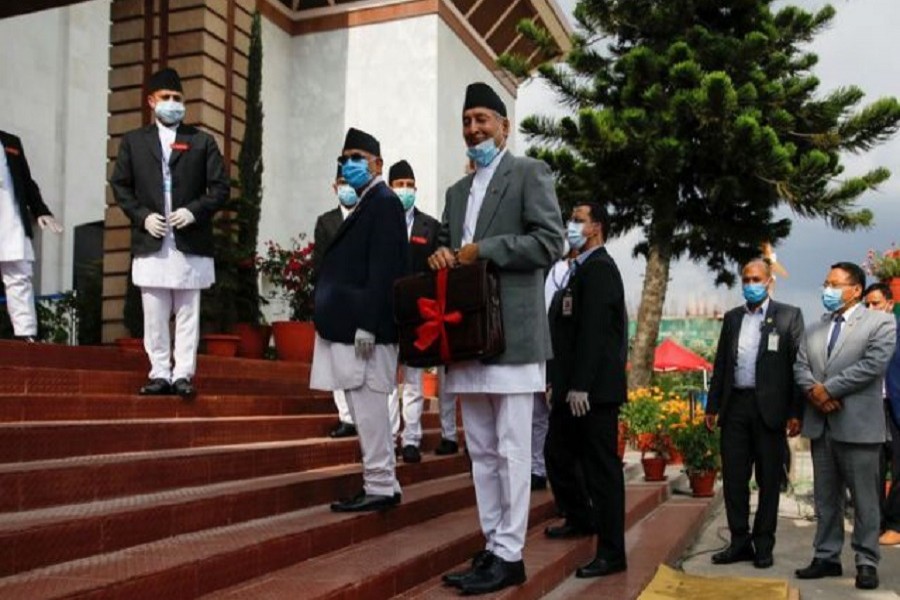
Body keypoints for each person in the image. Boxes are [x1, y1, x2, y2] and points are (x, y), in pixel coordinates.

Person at [429, 81, 564, 595]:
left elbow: (549, 241)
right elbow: (446, 246)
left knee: (512, 447)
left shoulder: (529, 173)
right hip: (468, 337)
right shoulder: (456, 191)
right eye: (467, 121)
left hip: (514, 335)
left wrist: (485, 248)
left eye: (483, 119)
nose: (473, 130)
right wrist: (442, 255)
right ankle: (493, 546)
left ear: (505, 126)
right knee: (481, 449)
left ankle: (512, 553)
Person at [110, 68, 229, 398]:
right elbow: (120, 185)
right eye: (166, 98)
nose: (173, 103)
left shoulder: (201, 141)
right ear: (151, 101)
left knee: (189, 313)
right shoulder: (134, 142)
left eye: (178, 98)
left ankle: (183, 375)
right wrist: (141, 216)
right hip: (152, 238)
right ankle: (159, 371)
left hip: (190, 241)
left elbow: (220, 188)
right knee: (155, 313)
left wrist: (194, 210)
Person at [310, 127, 409, 512]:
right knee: (365, 408)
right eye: (345, 158)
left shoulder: (382, 202)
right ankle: (384, 482)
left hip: (365, 333)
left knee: (368, 411)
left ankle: (380, 485)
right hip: (355, 330)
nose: (349, 165)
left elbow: (383, 269)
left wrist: (368, 323)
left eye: (358, 158)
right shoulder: (371, 202)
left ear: (378, 164)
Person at [793, 262, 896, 590]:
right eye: (826, 283)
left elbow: (873, 365)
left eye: (834, 284)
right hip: (821, 424)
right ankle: (826, 556)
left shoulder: (881, 322)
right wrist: (814, 392)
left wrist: (829, 389)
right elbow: (800, 365)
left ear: (855, 290)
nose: (827, 290)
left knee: (865, 500)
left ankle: (866, 560)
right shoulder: (814, 328)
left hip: (859, 426)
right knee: (825, 498)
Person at [544, 203, 628, 579]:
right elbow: (565, 335)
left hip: (593, 394)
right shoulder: (577, 272)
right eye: (571, 219)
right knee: (557, 454)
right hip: (569, 389)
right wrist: (556, 383)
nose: (571, 226)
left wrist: (580, 386)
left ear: (596, 227)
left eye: (578, 220)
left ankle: (612, 552)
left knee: (601, 471)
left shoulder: (600, 270)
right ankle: (580, 518)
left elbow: (594, 333)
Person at [704, 258, 805, 569]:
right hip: (735, 407)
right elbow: (722, 363)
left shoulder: (789, 316)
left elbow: (797, 366)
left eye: (756, 279)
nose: (750, 285)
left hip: (770, 412)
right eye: (746, 279)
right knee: (734, 479)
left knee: (769, 480)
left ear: (769, 281)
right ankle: (738, 541)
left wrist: (795, 411)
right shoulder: (733, 318)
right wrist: (713, 405)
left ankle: (763, 544)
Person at [386, 160, 441, 464]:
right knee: (387, 382)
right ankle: (391, 435)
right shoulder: (380, 223)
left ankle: (412, 439)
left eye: (410, 185)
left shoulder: (429, 227)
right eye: (400, 184)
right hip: (387, 312)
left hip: (418, 314)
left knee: (414, 381)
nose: (405, 190)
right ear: (390, 187)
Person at [0, 129, 63, 341]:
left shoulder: (11, 142)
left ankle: (25, 333)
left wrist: (41, 211)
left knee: (19, 276)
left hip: (11, 218)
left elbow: (27, 182)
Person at [312, 167, 360, 439]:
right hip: (335, 300)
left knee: (360, 362)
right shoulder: (326, 221)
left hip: (362, 300)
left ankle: (362, 415)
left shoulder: (368, 217)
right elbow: (320, 263)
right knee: (336, 362)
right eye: (342, 182)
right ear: (334, 187)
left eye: (350, 182)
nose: (347, 187)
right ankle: (346, 417)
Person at [532, 240, 574, 491]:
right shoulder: (547, 270)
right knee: (537, 413)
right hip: (539, 348)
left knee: (556, 416)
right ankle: (536, 469)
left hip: (561, 353)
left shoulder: (578, 273)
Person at [865, 283, 900, 545]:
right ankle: (874, 523)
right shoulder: (863, 335)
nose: (871, 309)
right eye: (867, 304)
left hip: (896, 407)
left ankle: (895, 523)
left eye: (876, 303)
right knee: (872, 469)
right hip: (871, 408)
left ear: (889, 303)